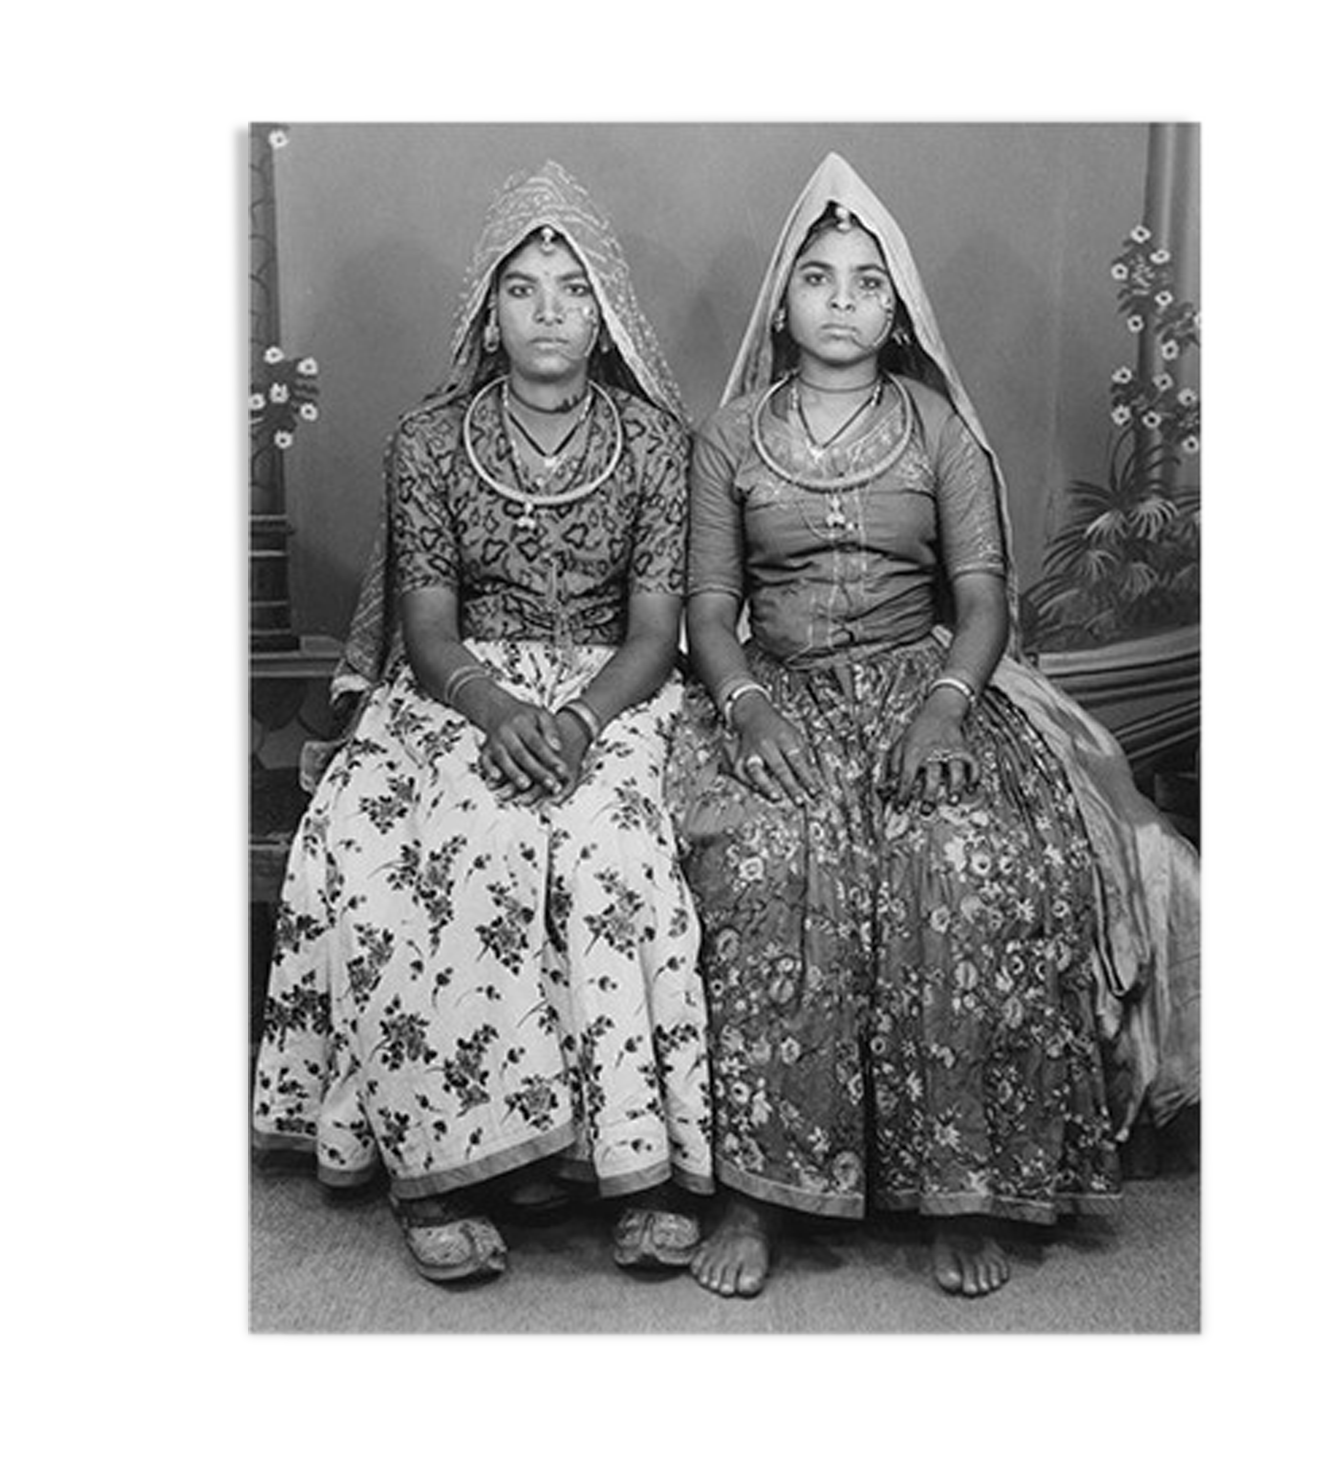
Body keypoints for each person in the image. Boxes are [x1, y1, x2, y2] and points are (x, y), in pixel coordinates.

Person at [669, 153, 1201, 1300]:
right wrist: (746, 703)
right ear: (784, 300)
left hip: (930, 690)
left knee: (964, 859)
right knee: (767, 860)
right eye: (818, 277)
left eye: (867, 280)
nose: (843, 300)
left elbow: (983, 598)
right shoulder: (727, 438)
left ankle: (959, 1187)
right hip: (776, 696)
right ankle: (757, 1192)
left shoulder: (936, 428)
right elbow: (708, 609)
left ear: (896, 304)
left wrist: (945, 704)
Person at [252, 161, 712, 1283]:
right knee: (398, 838)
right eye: (521, 287)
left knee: (612, 850)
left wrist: (578, 718)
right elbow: (424, 623)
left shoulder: (656, 444)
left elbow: (656, 630)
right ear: (486, 313)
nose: (547, 308)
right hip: (459, 686)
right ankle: (446, 1166)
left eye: (569, 287)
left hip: (615, 691)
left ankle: (631, 1165)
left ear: (603, 314)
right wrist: (497, 708)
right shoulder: (426, 440)